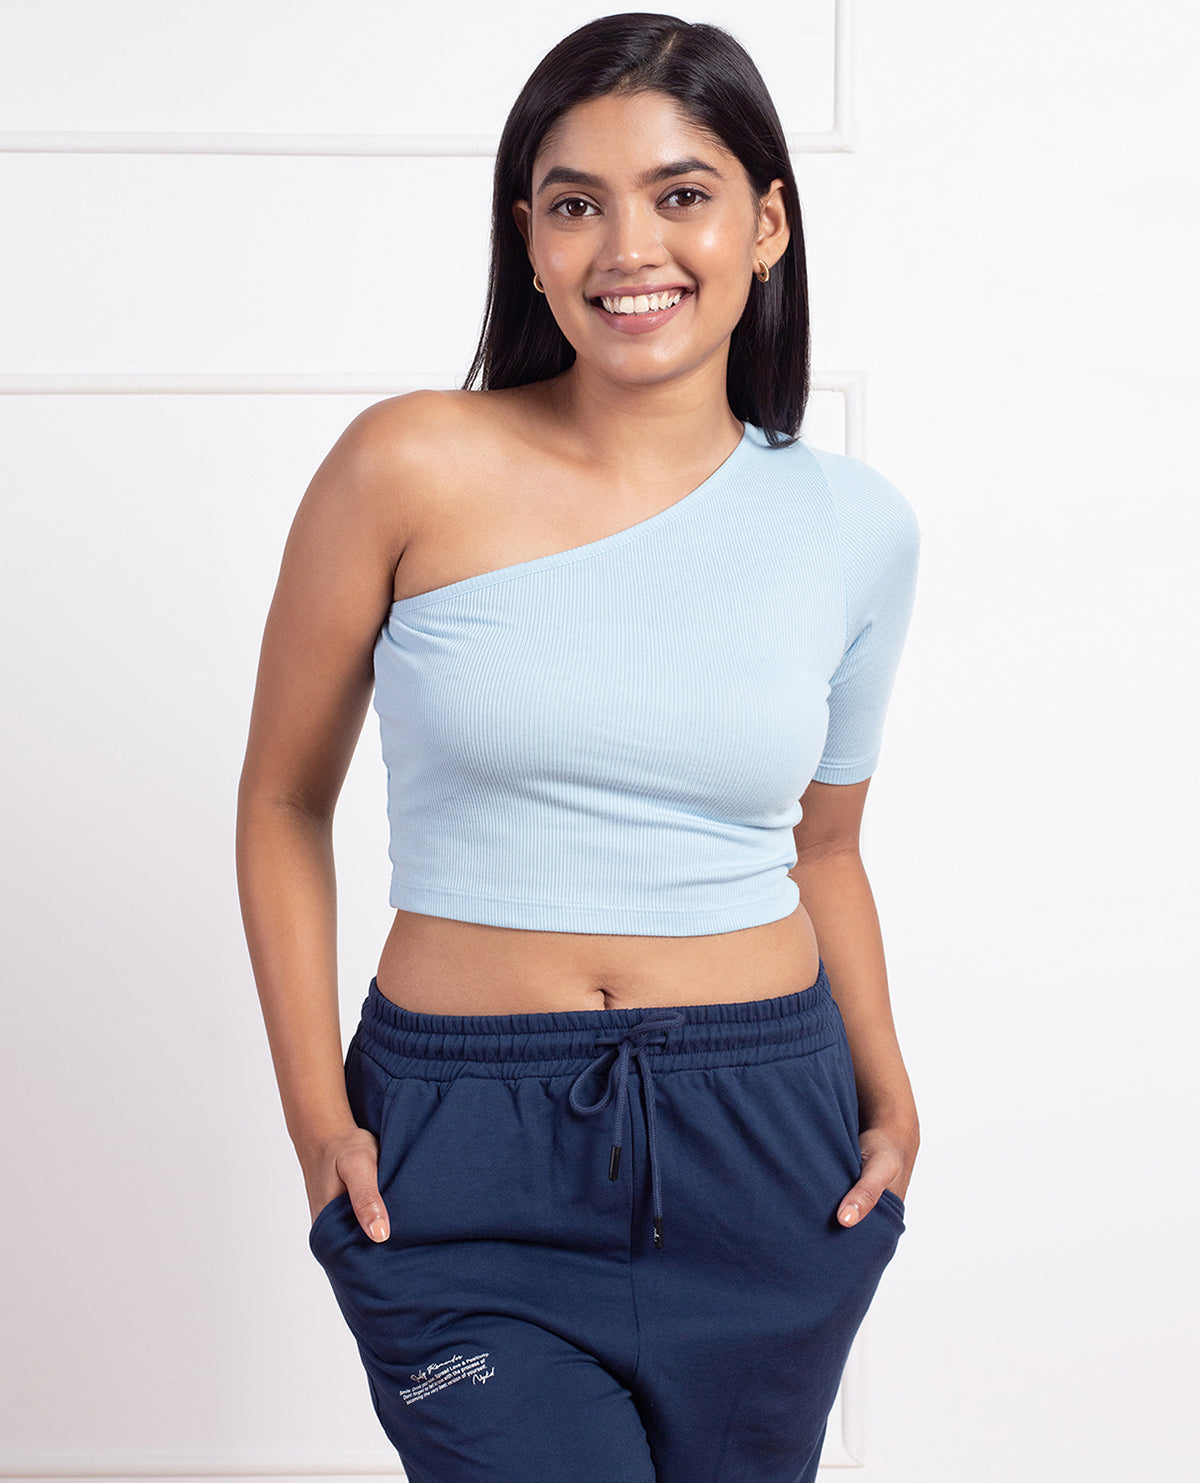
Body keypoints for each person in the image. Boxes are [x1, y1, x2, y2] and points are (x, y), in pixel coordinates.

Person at [235, 13, 921, 1482]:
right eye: (575, 203)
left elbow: (828, 849)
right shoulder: (407, 463)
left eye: (681, 194)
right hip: (460, 1138)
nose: (629, 248)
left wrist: (892, 1098)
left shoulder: (855, 528)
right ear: (530, 241)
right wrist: (315, 1120)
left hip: (766, 1136)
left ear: (766, 225)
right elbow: (284, 801)